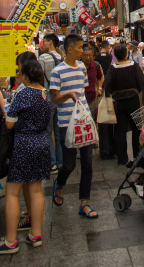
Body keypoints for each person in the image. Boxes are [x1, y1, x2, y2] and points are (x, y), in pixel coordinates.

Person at [0, 60, 51, 254]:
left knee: (13, 192)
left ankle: (10, 241)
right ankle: (36, 234)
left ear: (25, 75)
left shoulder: (23, 93)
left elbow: (9, 124)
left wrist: (1, 99)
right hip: (41, 143)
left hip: (24, 144)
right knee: (36, 190)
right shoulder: (44, 93)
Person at [49, 34, 98, 219]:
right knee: (69, 165)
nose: (83, 50)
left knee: (87, 164)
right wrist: (68, 95)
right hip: (66, 123)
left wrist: (88, 116)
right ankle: (59, 184)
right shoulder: (57, 72)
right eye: (79, 47)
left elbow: (83, 94)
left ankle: (84, 202)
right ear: (69, 50)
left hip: (83, 122)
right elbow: (55, 99)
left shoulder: (82, 70)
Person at [104, 43, 144, 166]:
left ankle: (122, 158)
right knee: (136, 128)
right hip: (133, 100)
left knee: (120, 130)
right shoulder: (133, 66)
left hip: (119, 103)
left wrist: (114, 92)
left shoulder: (113, 68)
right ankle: (136, 156)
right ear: (125, 54)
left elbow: (106, 85)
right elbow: (143, 82)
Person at [38, 33, 63, 175]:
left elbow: (40, 78)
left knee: (48, 131)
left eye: (44, 41)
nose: (43, 44)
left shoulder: (43, 58)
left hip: (47, 96)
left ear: (50, 42)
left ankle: (52, 163)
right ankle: (61, 162)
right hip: (60, 96)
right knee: (59, 131)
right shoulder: (62, 57)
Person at [82, 45, 104, 116]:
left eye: (90, 55)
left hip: (92, 98)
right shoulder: (78, 66)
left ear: (93, 56)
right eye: (85, 55)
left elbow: (100, 78)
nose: (88, 57)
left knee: (92, 118)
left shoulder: (96, 65)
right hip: (80, 99)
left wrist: (99, 88)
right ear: (82, 56)